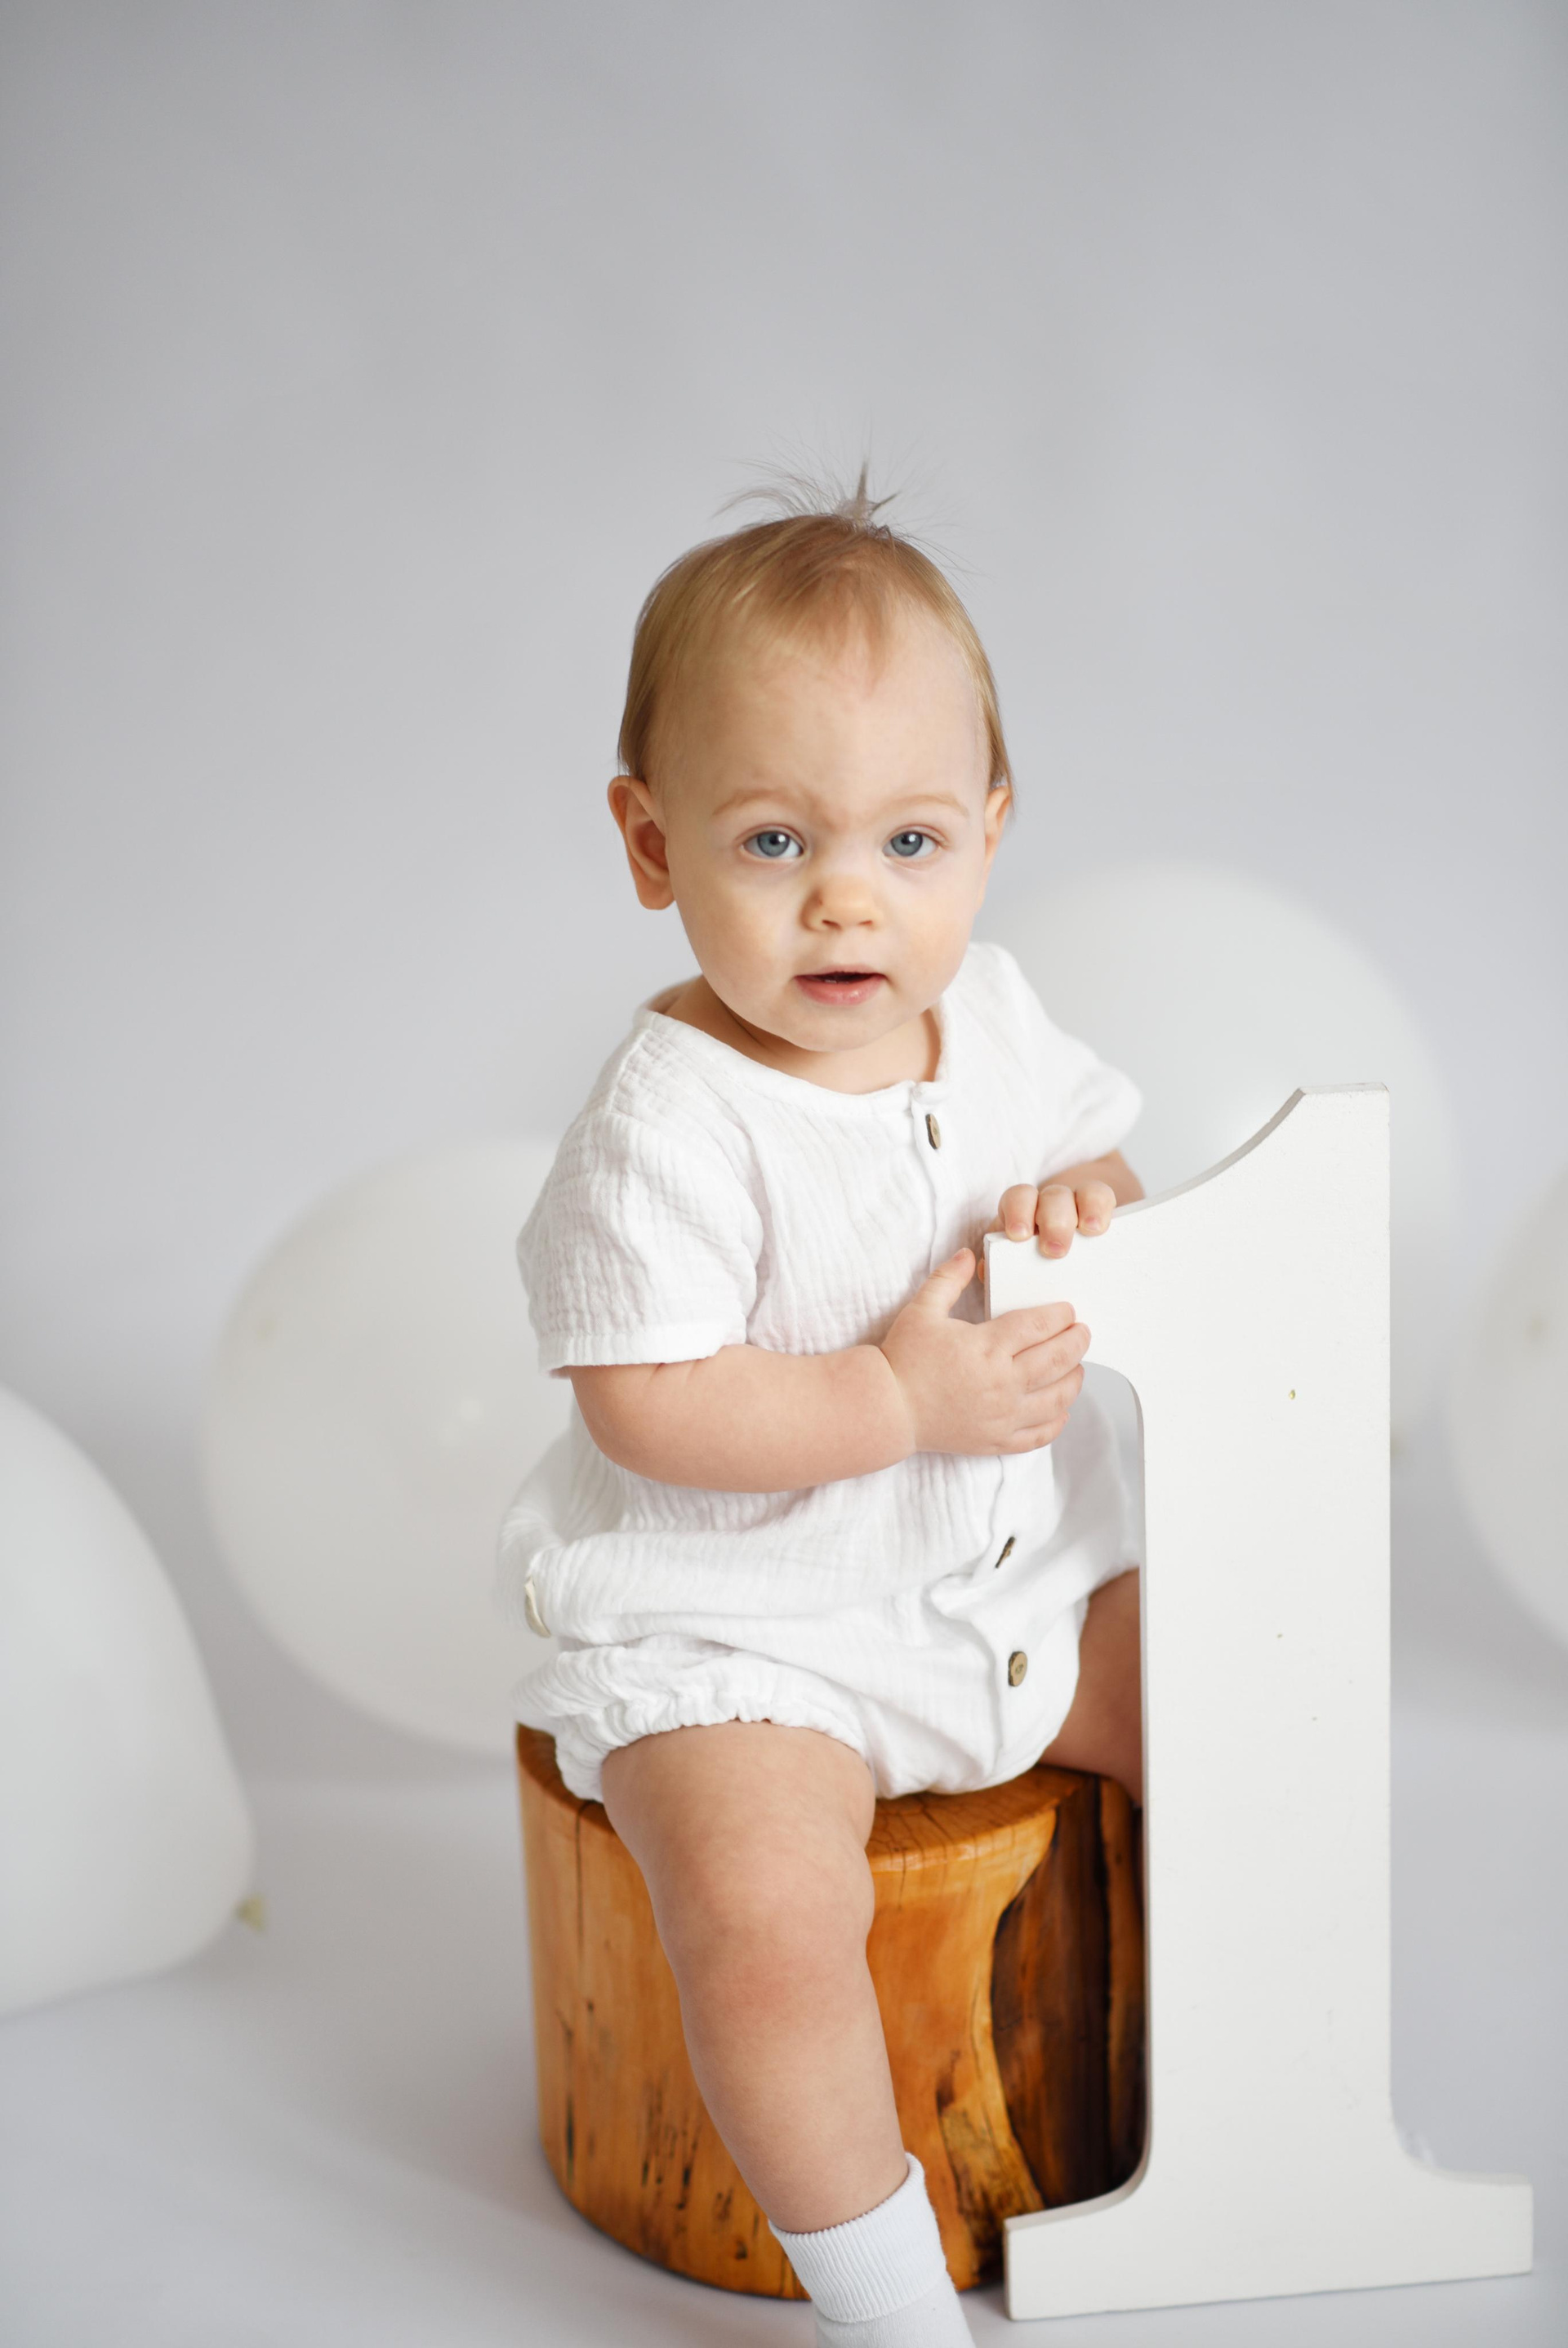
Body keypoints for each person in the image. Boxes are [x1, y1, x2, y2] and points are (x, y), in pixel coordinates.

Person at [498, 477, 1144, 2346]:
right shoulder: (668, 1117)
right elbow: (647, 1403)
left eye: (911, 839)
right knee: (766, 1928)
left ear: (991, 835)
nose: (847, 897)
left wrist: (1085, 1194)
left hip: (1016, 1584)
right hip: (752, 1636)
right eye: (774, 839)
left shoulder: (994, 1018)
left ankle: (1254, 2112)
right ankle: (885, 2302)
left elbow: (1104, 1155)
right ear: (652, 842)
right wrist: (889, 1393)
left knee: (1262, 1708)